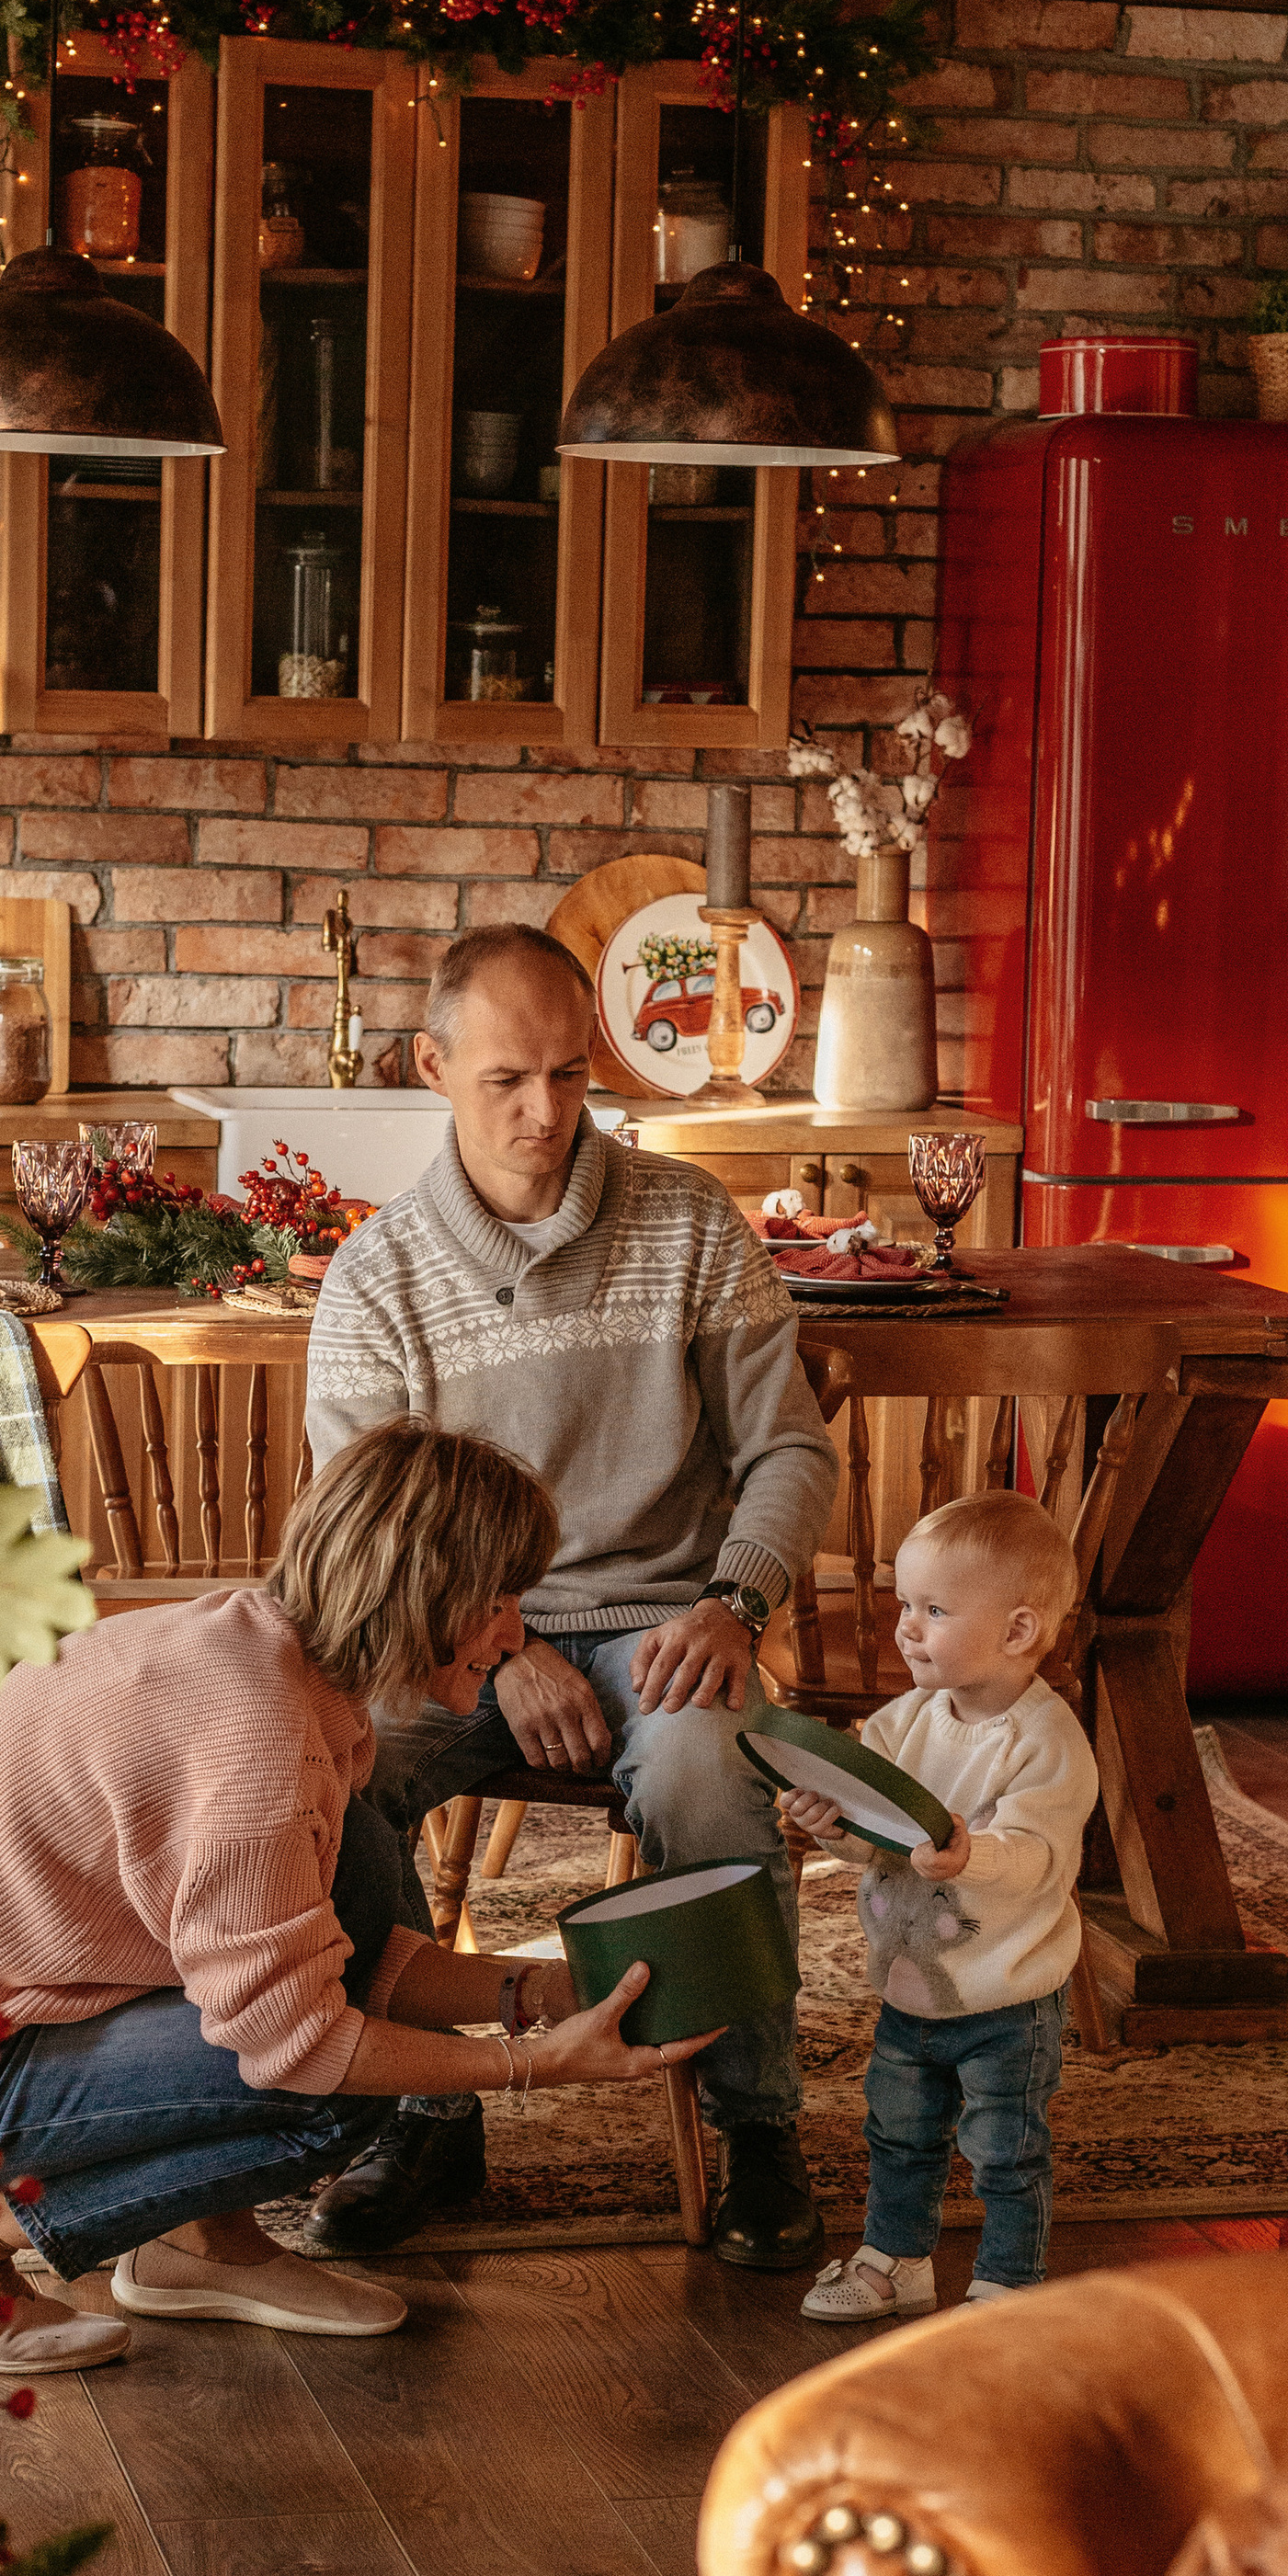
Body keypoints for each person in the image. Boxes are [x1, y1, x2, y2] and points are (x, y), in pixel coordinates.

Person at [0, 1417, 716, 2372]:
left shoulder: (268, 1652)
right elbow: (299, 2043)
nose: (513, 1631)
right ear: (424, 1592)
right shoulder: (258, 1745)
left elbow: (343, 1951)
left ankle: (198, 2251)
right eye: (498, 1600)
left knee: (358, 1877)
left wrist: (541, 1997)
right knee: (333, 2098)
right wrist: (533, 2066)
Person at [303, 923, 840, 2270]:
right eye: (506, 1081)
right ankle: (428, 2109)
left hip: (675, 1623)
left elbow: (790, 1448)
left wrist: (736, 1605)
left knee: (710, 1766)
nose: (546, 1112)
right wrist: (501, 1650)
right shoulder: (377, 1279)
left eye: (568, 1074)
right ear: (432, 1067)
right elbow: (376, 1539)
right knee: (331, 1768)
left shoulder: (692, 1223)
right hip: (463, 1643)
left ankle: (759, 2128)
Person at [778, 1490, 1098, 2321]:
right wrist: (830, 1826)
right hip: (911, 1988)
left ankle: (1007, 2285)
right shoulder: (899, 1724)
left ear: (1018, 1631)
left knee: (1005, 2150)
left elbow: (1037, 1859)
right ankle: (897, 2259)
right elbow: (873, 1839)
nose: (906, 1627)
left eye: (934, 1609)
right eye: (904, 1605)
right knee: (898, 2135)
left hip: (1006, 1996)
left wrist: (969, 1855)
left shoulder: (1046, 1740)